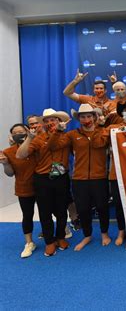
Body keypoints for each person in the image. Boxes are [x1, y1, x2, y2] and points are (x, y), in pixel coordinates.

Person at [47, 104, 110, 251]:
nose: (86, 119)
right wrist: (58, 131)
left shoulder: (103, 132)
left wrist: (97, 129)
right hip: (79, 179)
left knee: (102, 207)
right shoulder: (72, 134)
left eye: (89, 116)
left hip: (99, 177)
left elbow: (97, 144)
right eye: (83, 117)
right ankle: (87, 235)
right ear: (79, 119)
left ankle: (104, 233)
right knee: (83, 209)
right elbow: (53, 147)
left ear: (94, 117)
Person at [16, 108, 72, 257]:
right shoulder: (37, 139)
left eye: (52, 120)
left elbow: (54, 146)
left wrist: (58, 132)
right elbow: (20, 155)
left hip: (61, 177)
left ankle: (60, 237)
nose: (49, 123)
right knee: (45, 212)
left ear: (59, 121)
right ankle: (49, 241)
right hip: (42, 179)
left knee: (61, 210)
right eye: (46, 121)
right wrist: (29, 138)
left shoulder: (66, 137)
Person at [92, 99, 126, 246]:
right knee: (119, 204)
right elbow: (97, 143)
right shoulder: (113, 128)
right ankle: (122, 231)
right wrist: (100, 125)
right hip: (117, 174)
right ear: (121, 114)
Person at [1, 124, 37, 258]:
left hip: (42, 186)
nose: (18, 134)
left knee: (48, 212)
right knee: (27, 215)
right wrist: (5, 164)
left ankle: (53, 237)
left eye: (21, 131)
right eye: (15, 133)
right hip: (23, 188)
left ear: (28, 132)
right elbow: (10, 173)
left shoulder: (36, 146)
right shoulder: (8, 152)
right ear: (11, 136)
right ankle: (29, 243)